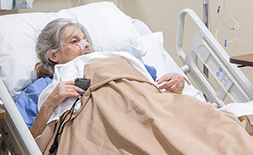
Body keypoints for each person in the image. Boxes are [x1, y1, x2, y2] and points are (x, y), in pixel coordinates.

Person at [14, 18, 185, 138]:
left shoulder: (116, 61)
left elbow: (150, 90)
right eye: (75, 41)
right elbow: (26, 142)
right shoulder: (42, 89)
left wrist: (176, 85)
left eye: (85, 39)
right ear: (54, 56)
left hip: (144, 115)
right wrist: (51, 102)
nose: (85, 44)